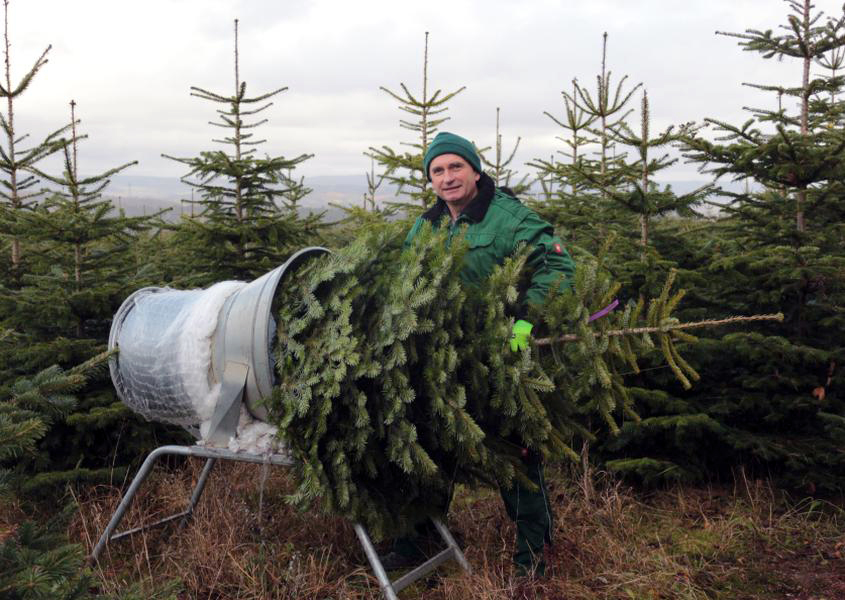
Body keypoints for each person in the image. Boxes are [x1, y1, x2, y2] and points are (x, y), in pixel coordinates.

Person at [382, 131, 575, 577]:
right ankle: (419, 540)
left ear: (475, 170)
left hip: (501, 358)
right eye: (437, 171)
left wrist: (525, 323)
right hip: (441, 361)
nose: (447, 178)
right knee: (427, 445)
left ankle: (534, 555)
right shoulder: (426, 226)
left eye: (455, 167)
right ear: (430, 180)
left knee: (514, 454)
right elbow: (405, 281)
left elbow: (558, 265)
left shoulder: (508, 217)